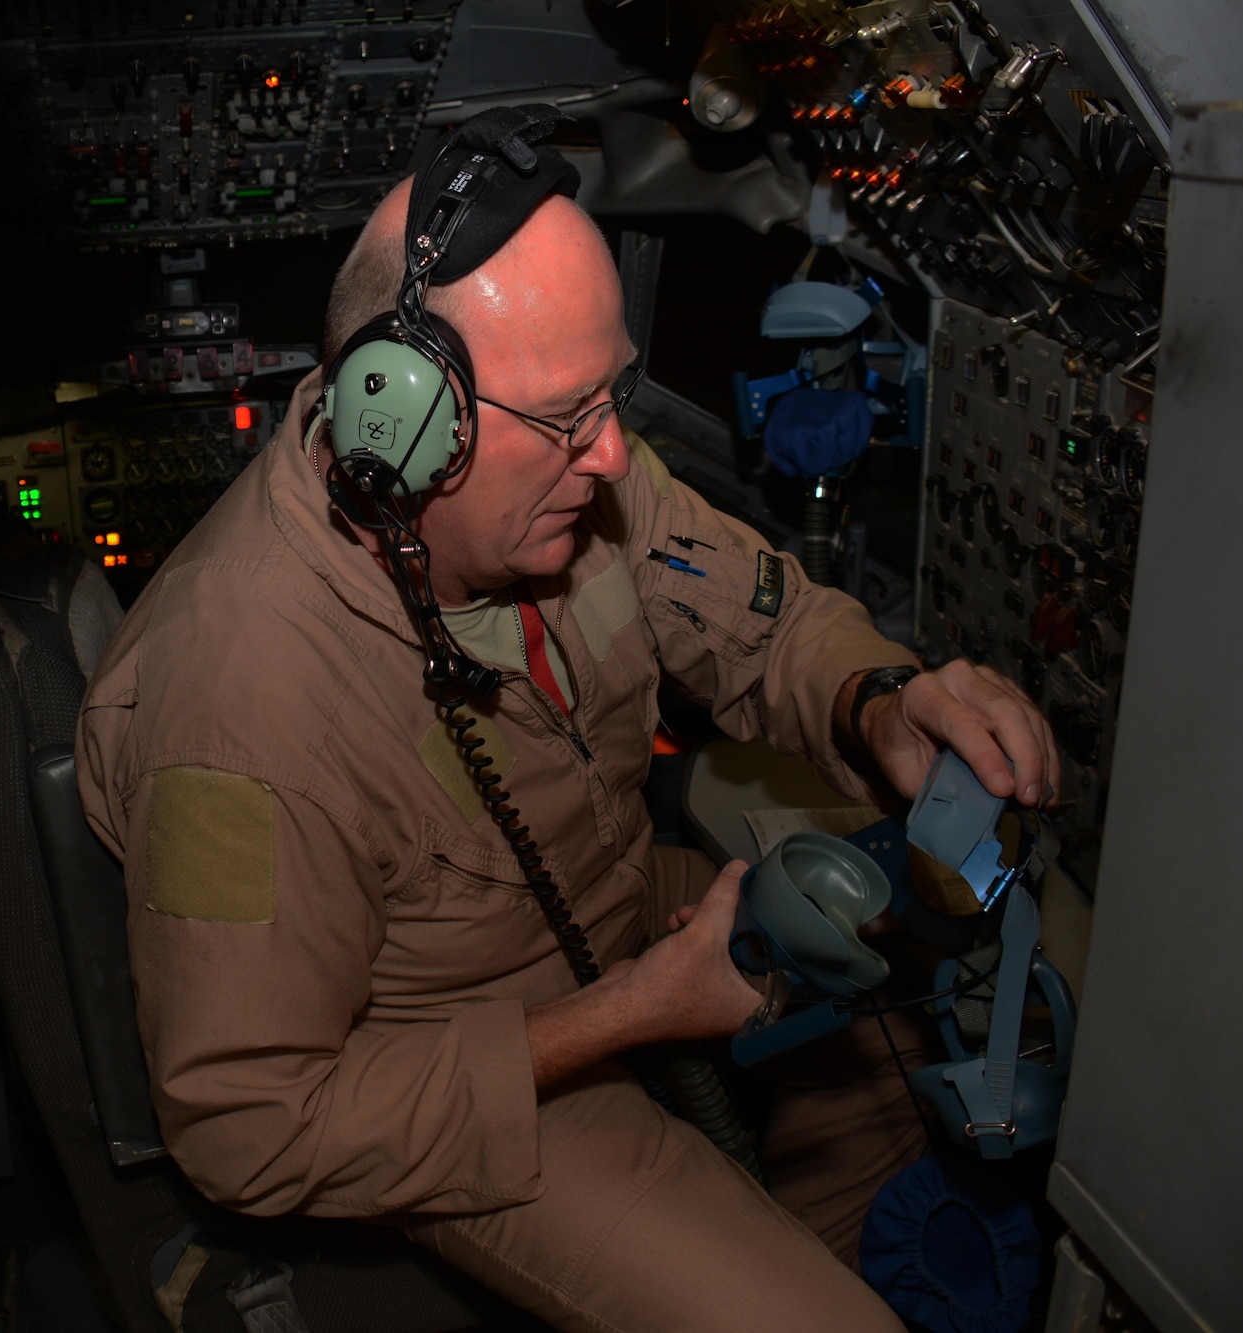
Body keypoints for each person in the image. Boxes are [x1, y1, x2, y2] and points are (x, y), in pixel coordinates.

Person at [77, 164, 1060, 1331]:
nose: (609, 458)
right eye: (563, 418)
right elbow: (249, 1128)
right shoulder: (238, 708)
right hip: (450, 1050)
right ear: (396, 426)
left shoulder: (577, 475)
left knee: (926, 1008)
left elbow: (769, 625)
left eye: (614, 398)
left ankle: (777, 1249)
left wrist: (878, 704)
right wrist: (631, 1014)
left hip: (616, 899)